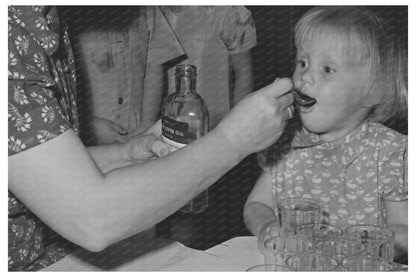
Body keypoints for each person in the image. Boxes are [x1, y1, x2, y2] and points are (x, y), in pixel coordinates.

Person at [8, 6, 294, 270]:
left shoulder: (44, 20)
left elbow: (39, 173)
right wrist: (234, 140)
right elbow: (93, 219)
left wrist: (125, 154)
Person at [243, 6, 408, 261]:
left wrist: (363, 244)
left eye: (327, 69)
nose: (305, 76)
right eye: (303, 62)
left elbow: (404, 230)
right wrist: (267, 226)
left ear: (373, 91)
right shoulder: (286, 143)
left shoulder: (391, 152)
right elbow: (256, 205)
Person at [61, 6, 185, 145]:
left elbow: (155, 64)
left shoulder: (148, 9)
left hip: (135, 128)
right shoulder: (60, 14)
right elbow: (53, 85)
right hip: (83, 138)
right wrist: (87, 124)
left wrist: (146, 124)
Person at [160, 6, 256, 130]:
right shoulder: (151, 13)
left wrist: (237, 124)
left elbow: (243, 72)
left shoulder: (226, 11)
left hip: (212, 123)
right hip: (165, 123)